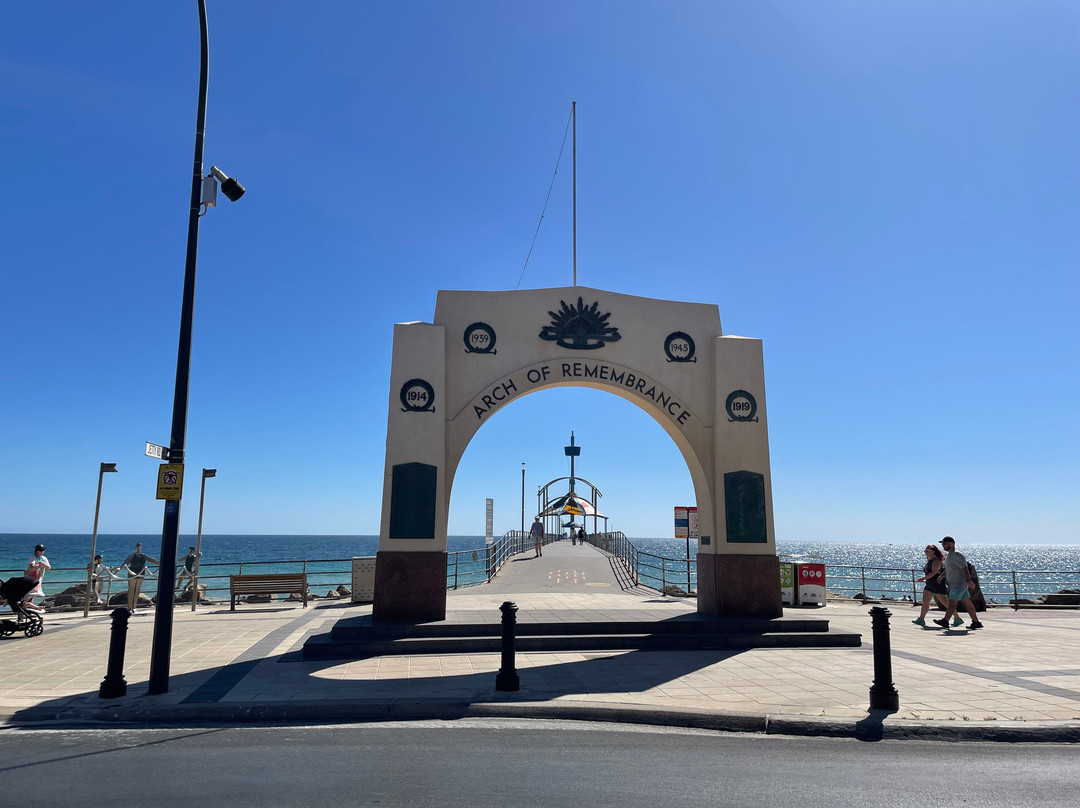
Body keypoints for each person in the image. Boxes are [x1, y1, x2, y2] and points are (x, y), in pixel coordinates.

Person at [933, 536, 984, 630]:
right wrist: (942, 576)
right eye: (942, 544)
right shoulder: (949, 556)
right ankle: (976, 622)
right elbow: (949, 569)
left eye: (945, 543)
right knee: (967, 603)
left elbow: (965, 569)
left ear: (951, 544)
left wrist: (969, 581)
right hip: (955, 585)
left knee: (952, 603)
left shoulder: (957, 555)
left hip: (958, 585)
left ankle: (945, 621)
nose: (943, 545)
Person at [912, 544, 949, 625]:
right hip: (929, 585)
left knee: (946, 603)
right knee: (925, 602)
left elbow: (934, 572)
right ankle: (921, 619)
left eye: (928, 551)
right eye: (925, 551)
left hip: (937, 585)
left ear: (933, 552)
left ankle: (957, 618)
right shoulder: (929, 560)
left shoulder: (935, 561)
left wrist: (923, 578)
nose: (926, 552)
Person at [121, 542, 158, 611]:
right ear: (136, 548)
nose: (138, 548)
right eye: (138, 547)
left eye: (140, 547)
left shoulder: (143, 556)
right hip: (132, 574)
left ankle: (134, 606)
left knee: (137, 589)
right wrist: (119, 569)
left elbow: (153, 560)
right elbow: (125, 564)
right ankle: (130, 606)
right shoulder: (132, 556)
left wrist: (161, 562)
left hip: (141, 574)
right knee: (131, 589)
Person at [22, 544, 51, 612]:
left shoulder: (44, 558)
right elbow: (31, 566)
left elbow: (48, 568)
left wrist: (42, 564)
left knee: (33, 594)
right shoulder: (33, 558)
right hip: (31, 577)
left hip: (38, 578)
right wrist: (39, 565)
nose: (43, 551)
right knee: (29, 593)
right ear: (37, 551)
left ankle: (30, 608)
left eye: (43, 550)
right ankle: (30, 608)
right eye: (41, 550)